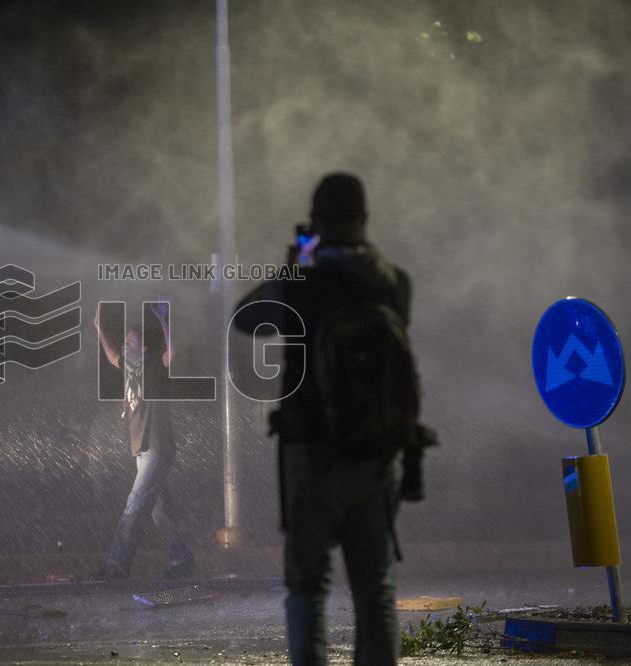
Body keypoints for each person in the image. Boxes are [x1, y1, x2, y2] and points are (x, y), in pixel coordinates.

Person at [234, 173, 422, 666]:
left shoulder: (302, 284)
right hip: (378, 457)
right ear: (364, 220)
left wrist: (294, 265)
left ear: (315, 221)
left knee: (307, 588)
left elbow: (244, 318)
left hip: (311, 454)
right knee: (375, 590)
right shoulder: (395, 284)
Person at [90, 301, 194, 580]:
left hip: (157, 449)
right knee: (158, 511)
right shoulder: (130, 368)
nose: (124, 347)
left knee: (135, 504)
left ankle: (117, 566)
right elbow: (112, 357)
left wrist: (163, 321)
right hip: (142, 450)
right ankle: (182, 561)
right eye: (124, 343)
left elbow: (171, 353)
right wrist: (100, 329)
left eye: (129, 343)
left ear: (144, 350)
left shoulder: (153, 367)